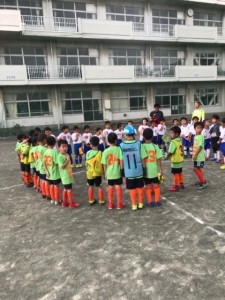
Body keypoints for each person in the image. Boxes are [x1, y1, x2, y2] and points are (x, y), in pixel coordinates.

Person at [120, 125, 144, 211]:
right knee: (140, 187)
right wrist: (144, 168)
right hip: (139, 170)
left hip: (128, 171)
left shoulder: (121, 145)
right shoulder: (138, 144)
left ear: (125, 135)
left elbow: (121, 159)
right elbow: (142, 157)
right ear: (134, 134)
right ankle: (140, 203)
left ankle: (134, 205)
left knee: (132, 189)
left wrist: (122, 169)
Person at [101, 133, 125, 210]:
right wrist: (122, 170)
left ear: (108, 141)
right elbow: (121, 160)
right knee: (118, 187)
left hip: (109, 173)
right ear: (115, 140)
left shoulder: (105, 151)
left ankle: (110, 204)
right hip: (117, 172)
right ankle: (119, 204)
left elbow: (104, 164)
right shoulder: (118, 149)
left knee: (110, 187)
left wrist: (105, 173)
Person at [141, 128, 163, 207]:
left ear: (143, 136)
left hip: (146, 170)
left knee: (148, 186)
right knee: (156, 185)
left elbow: (143, 159)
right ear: (152, 136)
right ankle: (157, 201)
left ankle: (150, 201)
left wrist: (144, 169)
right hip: (154, 170)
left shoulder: (142, 146)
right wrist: (160, 169)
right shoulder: (155, 146)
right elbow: (159, 159)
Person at [57, 140, 80, 208]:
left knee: (66, 189)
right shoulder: (60, 156)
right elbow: (62, 166)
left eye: (66, 146)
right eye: (63, 146)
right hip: (65, 176)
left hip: (68, 175)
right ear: (59, 148)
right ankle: (71, 203)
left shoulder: (66, 154)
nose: (65, 148)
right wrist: (67, 160)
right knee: (69, 189)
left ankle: (64, 202)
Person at [86, 136, 104, 206]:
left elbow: (86, 163)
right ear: (98, 144)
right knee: (100, 186)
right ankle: (101, 200)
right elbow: (102, 163)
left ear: (90, 144)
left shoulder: (87, 153)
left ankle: (91, 200)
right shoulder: (100, 153)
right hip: (97, 172)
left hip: (89, 172)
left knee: (90, 186)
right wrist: (103, 172)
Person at [43, 136, 61, 205]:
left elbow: (44, 162)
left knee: (51, 186)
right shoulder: (55, 152)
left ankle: (52, 199)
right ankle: (57, 200)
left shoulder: (45, 152)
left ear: (46, 143)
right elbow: (58, 163)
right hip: (55, 173)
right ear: (54, 144)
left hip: (48, 173)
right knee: (56, 186)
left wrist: (46, 171)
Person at [167, 126, 184, 192]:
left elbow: (170, 152)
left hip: (175, 161)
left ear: (176, 134)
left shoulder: (173, 142)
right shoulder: (179, 140)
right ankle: (181, 184)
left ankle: (176, 186)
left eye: (172, 133)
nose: (170, 134)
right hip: (180, 159)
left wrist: (166, 156)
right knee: (179, 172)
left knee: (175, 173)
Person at [193, 122, 207, 189]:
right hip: (196, 156)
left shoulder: (201, 136)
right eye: (198, 128)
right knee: (197, 169)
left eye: (201, 128)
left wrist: (195, 155)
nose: (199, 129)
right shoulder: (196, 136)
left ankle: (202, 182)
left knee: (197, 169)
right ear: (194, 129)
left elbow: (200, 147)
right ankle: (202, 180)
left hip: (199, 156)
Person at [36, 133, 50, 199]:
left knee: (42, 180)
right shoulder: (44, 149)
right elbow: (45, 159)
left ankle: (43, 193)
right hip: (44, 167)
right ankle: (48, 194)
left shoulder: (38, 147)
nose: (46, 141)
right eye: (45, 140)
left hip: (39, 167)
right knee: (46, 181)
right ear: (42, 140)